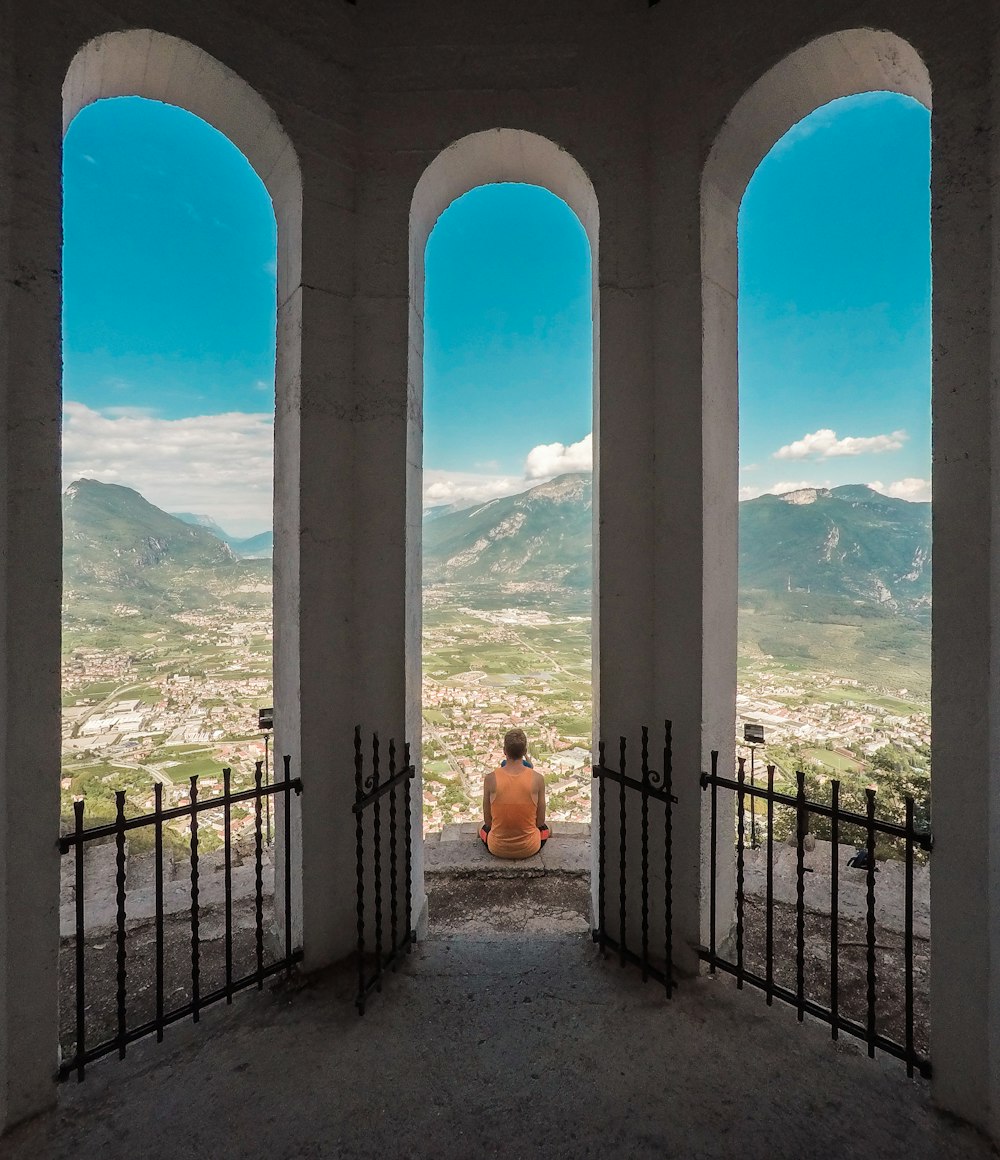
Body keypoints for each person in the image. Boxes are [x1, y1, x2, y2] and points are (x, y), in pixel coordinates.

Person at [479, 728, 550, 859]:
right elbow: (540, 821)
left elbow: (488, 821)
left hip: (496, 848)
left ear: (504, 751)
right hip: (530, 848)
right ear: (525, 752)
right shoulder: (538, 779)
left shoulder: (490, 779)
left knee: (482, 828)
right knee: (546, 828)